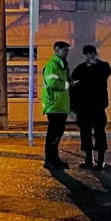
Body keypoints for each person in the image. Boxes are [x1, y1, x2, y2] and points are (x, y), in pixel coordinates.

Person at [70, 45, 111, 170]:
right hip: (83, 108)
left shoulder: (103, 66)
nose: (89, 56)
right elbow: (74, 86)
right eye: (87, 54)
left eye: (91, 53)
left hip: (98, 107)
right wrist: (75, 107)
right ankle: (89, 159)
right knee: (85, 134)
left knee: (100, 132)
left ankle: (101, 160)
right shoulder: (80, 69)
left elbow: (106, 73)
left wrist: (94, 65)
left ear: (95, 53)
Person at [42, 41, 71, 170]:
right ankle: (50, 160)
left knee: (57, 134)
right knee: (53, 135)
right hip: (54, 106)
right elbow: (52, 83)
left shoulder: (61, 65)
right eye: (64, 50)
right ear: (57, 50)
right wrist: (69, 85)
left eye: (67, 50)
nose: (67, 53)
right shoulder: (53, 65)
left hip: (60, 106)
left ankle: (55, 159)